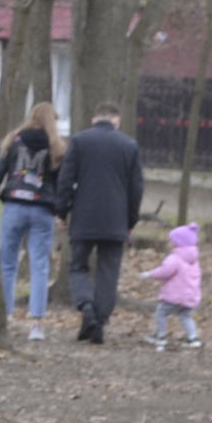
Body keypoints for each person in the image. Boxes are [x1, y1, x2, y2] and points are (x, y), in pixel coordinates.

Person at [53, 101, 143, 344]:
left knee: (78, 266)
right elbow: (136, 188)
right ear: (117, 120)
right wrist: (131, 220)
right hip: (116, 219)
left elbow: (65, 179)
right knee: (108, 272)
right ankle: (100, 322)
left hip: (84, 217)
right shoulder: (129, 145)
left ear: (94, 119)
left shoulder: (79, 141)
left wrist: (61, 211)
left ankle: (86, 308)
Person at [0, 101, 67, 341]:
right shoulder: (57, 147)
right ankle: (36, 324)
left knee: (7, 263)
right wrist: (61, 212)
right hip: (42, 209)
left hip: (14, 205)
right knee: (40, 266)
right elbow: (61, 183)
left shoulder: (14, 140)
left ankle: (5, 317)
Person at [142, 222, 203, 351]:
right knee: (186, 316)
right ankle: (193, 338)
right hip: (190, 296)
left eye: (171, 240)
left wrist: (150, 274)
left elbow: (164, 272)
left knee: (161, 313)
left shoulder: (174, 258)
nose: (169, 243)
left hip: (174, 296)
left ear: (177, 243)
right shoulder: (194, 260)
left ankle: (161, 336)